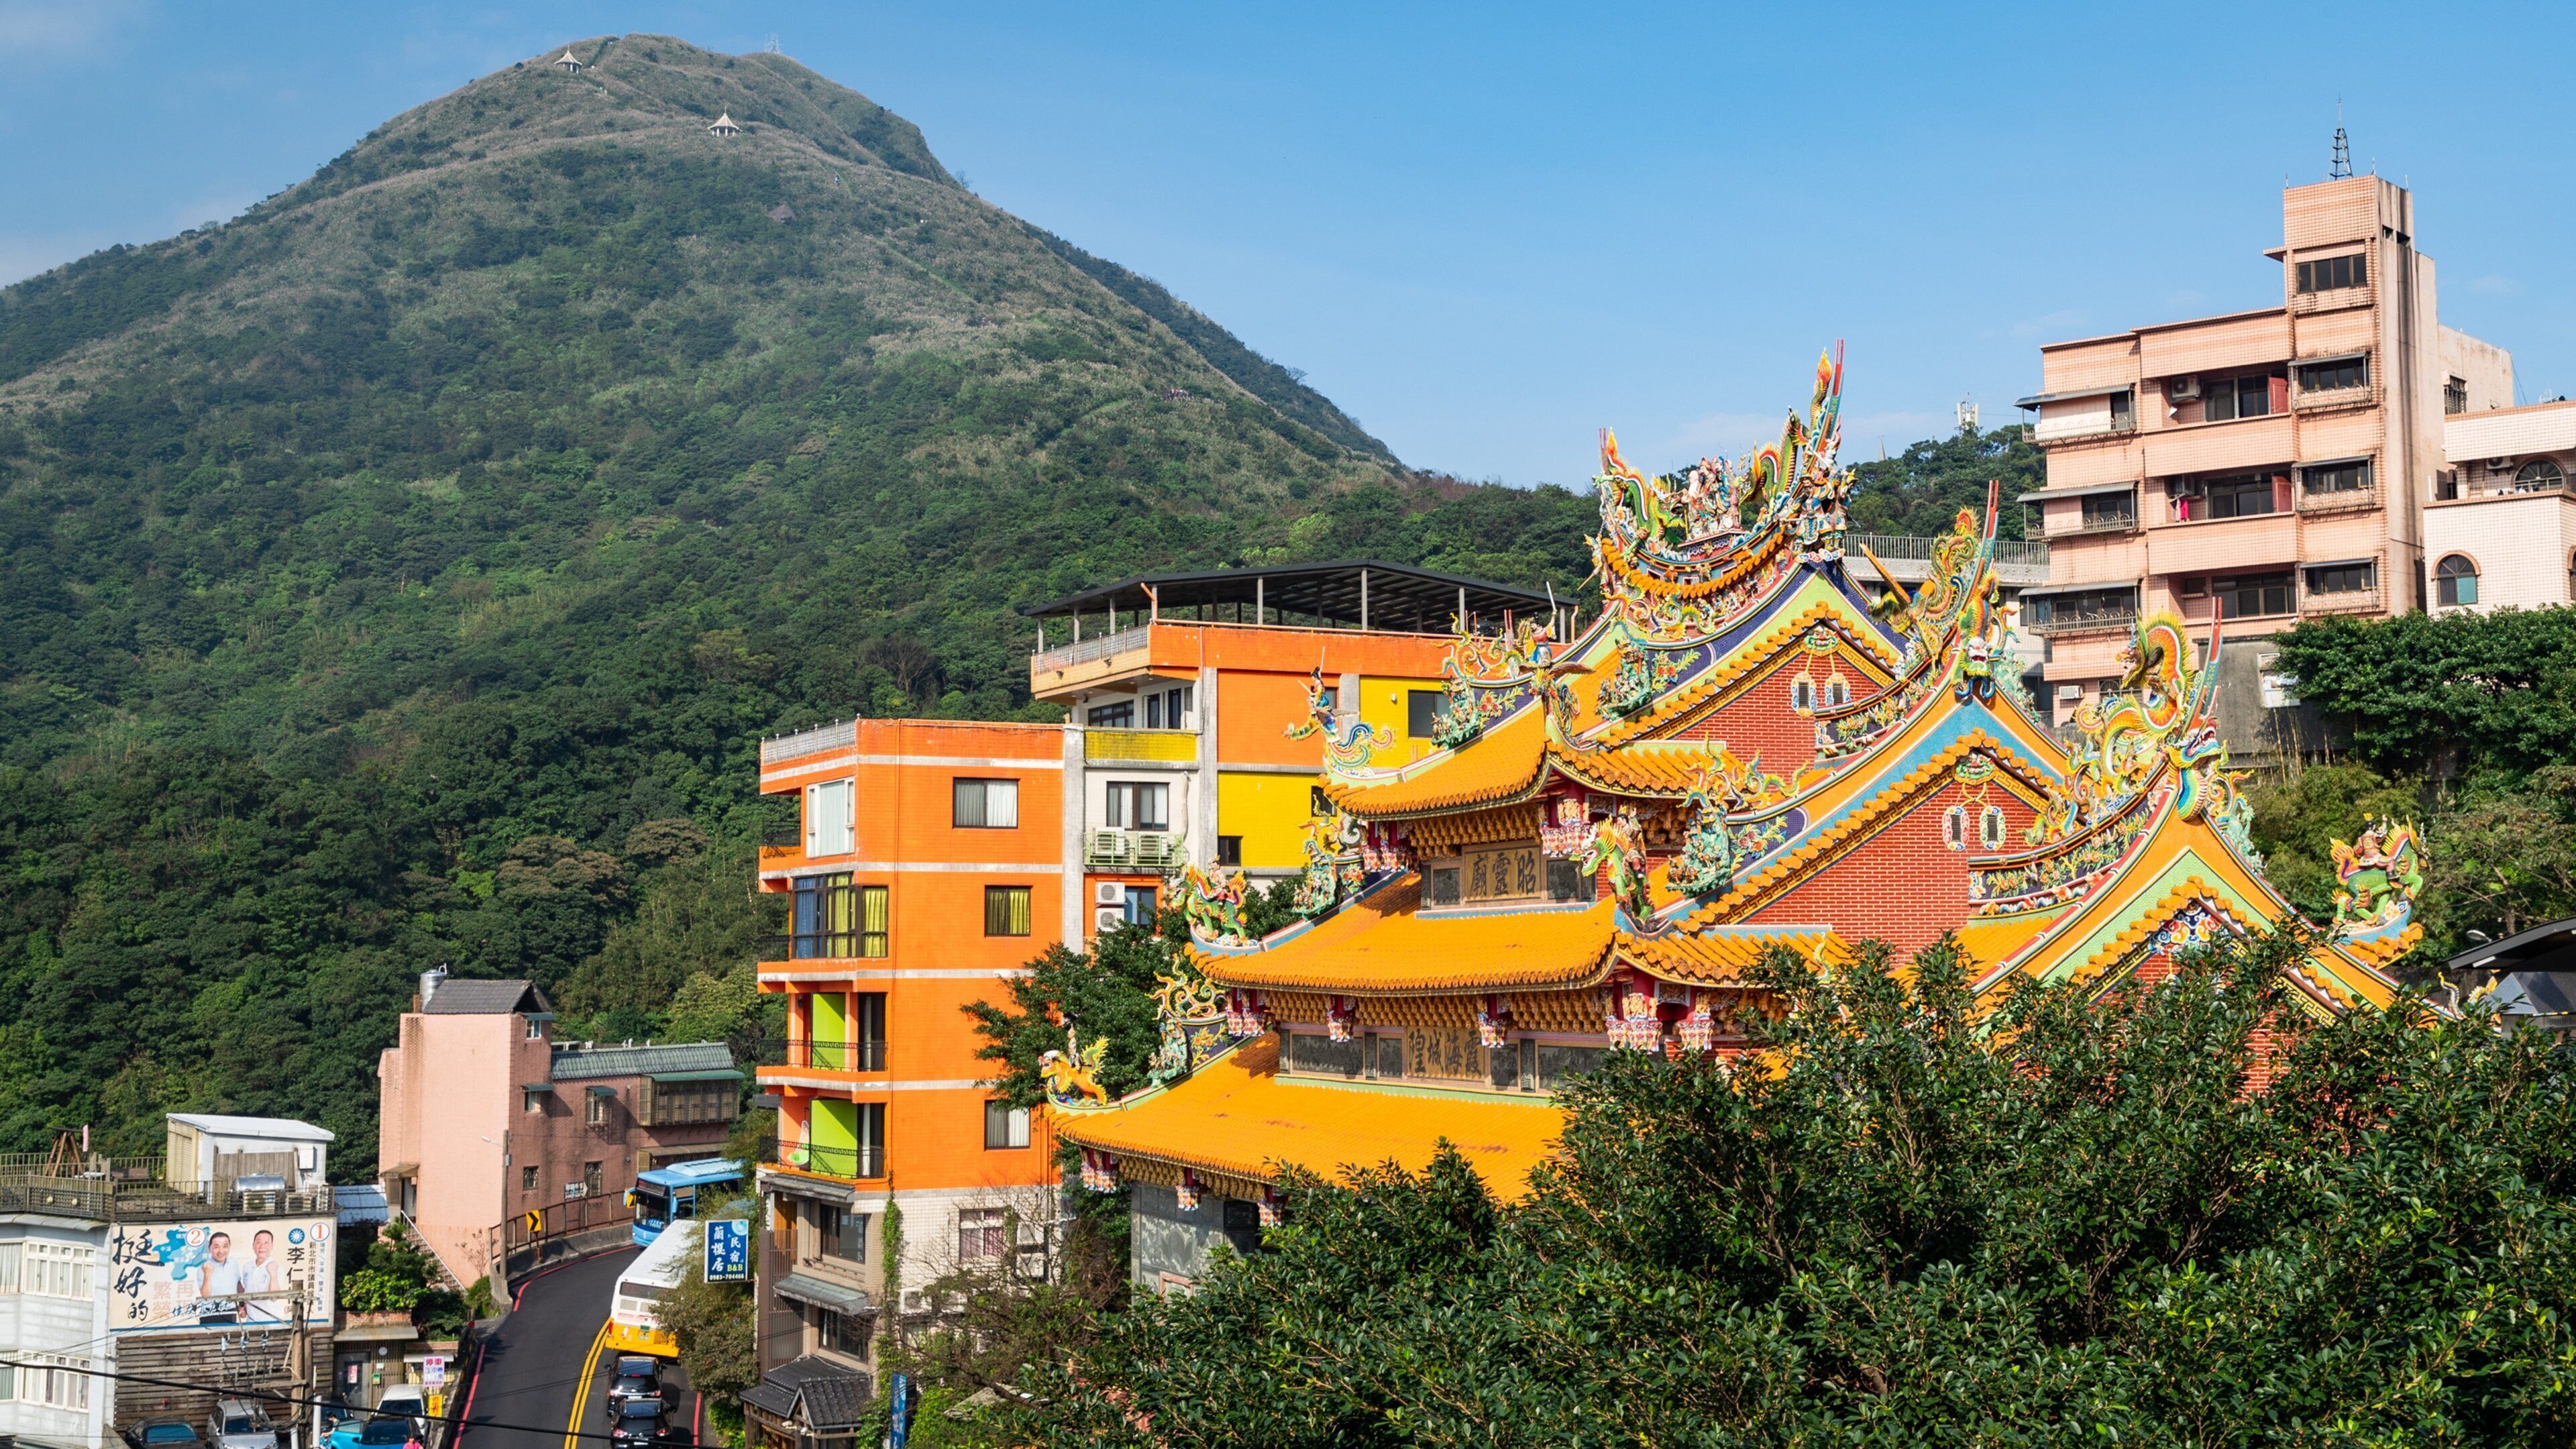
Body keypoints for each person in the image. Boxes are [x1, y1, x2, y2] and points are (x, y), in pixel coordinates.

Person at [238, 1229, 284, 1324]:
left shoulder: (277, 1267)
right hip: (251, 1322)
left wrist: (273, 1275)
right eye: (258, 1242)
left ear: (272, 1246)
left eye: (266, 1243)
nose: (262, 1246)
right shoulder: (247, 1267)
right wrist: (244, 1308)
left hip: (271, 1322)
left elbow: (274, 1297)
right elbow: (247, 1292)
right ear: (253, 1245)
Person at [197, 1231, 241, 1324]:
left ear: (230, 1247)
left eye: (225, 1246)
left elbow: (238, 1283)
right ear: (210, 1248)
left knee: (232, 1334)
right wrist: (207, 1275)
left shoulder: (233, 1262)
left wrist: (243, 1304)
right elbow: (205, 1295)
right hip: (210, 1313)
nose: (221, 1251)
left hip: (231, 1311)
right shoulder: (204, 1267)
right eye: (216, 1247)